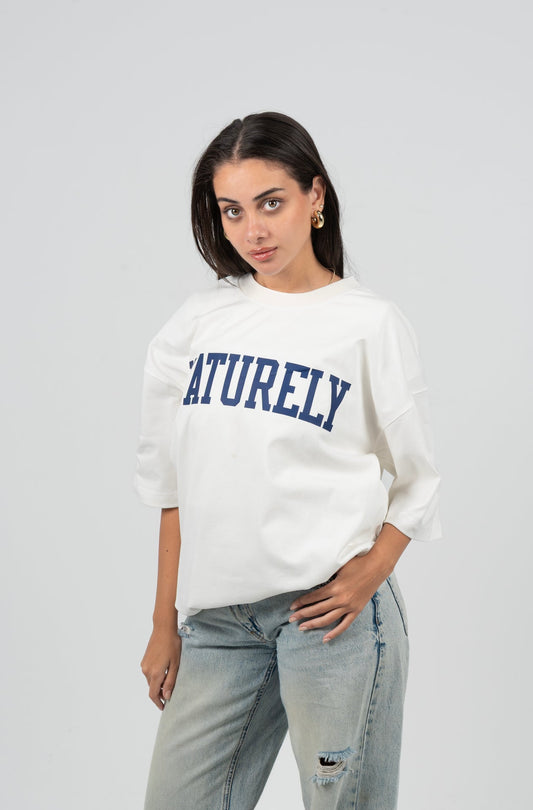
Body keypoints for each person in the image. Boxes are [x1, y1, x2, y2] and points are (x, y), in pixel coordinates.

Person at [133, 111, 442, 810]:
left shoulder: (368, 323)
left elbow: (418, 477)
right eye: (232, 210)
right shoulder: (195, 325)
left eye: (270, 203)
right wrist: (162, 624)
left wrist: (370, 572)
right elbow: (172, 489)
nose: (253, 230)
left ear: (315, 195)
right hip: (218, 624)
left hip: (328, 619)